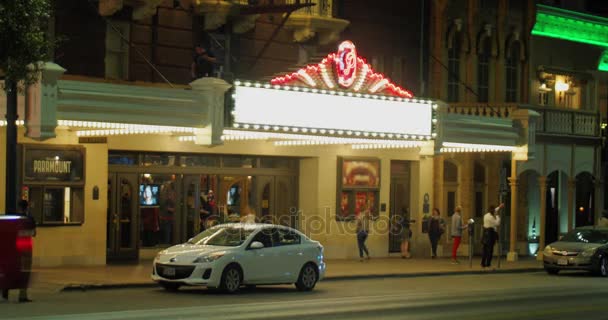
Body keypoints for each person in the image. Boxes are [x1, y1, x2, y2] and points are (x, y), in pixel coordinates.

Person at [2, 200, 35, 303]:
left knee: (9, 268)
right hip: (25, 247)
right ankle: (22, 295)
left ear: (18, 207)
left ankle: (5, 291)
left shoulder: (13, 218)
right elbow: (33, 233)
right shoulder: (29, 219)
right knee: (24, 271)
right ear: (27, 207)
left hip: (11, 247)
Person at [481, 203, 505, 270]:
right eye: (494, 211)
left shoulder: (486, 215)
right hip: (490, 234)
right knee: (490, 251)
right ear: (493, 212)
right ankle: (488, 265)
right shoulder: (491, 218)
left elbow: (494, 210)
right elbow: (497, 223)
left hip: (485, 233)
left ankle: (483, 263)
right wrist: (497, 216)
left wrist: (499, 207)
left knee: (484, 250)